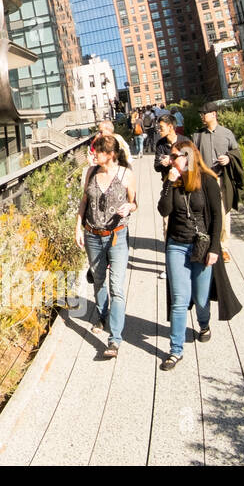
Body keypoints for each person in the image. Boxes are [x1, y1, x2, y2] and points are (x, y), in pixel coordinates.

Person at [156, 140, 241, 369]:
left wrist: (215, 248)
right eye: (171, 157)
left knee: (201, 298)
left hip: (202, 246)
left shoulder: (207, 181)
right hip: (176, 244)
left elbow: (217, 216)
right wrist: (169, 182)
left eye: (175, 156)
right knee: (179, 299)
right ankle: (176, 350)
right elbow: (163, 210)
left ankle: (204, 324)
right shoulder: (173, 182)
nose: (171, 160)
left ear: (188, 157)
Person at [75, 135, 138, 358]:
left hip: (117, 237)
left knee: (117, 288)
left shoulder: (125, 174)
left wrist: (128, 208)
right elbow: (84, 201)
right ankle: (102, 316)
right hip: (92, 234)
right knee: (99, 280)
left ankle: (115, 340)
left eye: (98, 151)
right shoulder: (91, 172)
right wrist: (78, 228)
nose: (94, 154)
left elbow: (134, 202)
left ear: (110, 154)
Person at [193, 104, 243, 259]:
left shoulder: (227, 133)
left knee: (222, 212)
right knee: (202, 211)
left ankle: (223, 247)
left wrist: (228, 158)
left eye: (204, 113)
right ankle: (204, 242)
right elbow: (192, 157)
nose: (202, 116)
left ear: (213, 114)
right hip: (203, 181)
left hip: (221, 180)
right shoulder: (197, 135)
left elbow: (236, 152)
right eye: (201, 114)